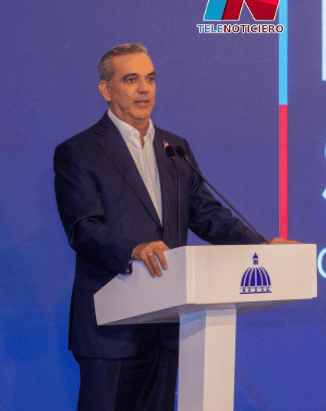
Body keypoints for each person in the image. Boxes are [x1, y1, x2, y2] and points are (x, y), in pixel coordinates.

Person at [53, 43, 296, 411]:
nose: (144, 89)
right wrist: (133, 251)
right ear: (106, 89)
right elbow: (83, 229)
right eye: (131, 80)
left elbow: (208, 214)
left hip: (165, 326)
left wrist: (261, 246)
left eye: (150, 79)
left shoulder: (174, 149)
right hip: (111, 331)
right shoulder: (79, 152)